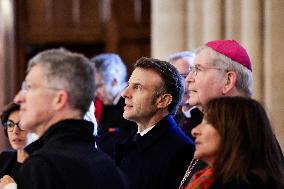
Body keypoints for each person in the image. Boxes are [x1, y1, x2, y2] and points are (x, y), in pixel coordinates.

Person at [0, 49, 127, 189]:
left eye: (30, 87)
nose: (19, 98)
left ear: (59, 99)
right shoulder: (106, 165)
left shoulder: (43, 166)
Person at [179, 39, 283, 188]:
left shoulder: (250, 143)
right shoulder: (213, 139)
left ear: (228, 80)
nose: (188, 79)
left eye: (198, 69)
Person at [115, 57, 195, 189]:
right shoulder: (134, 139)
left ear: (163, 100)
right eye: (129, 85)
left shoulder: (181, 151)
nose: (125, 93)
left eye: (138, 87)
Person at [185, 96, 284, 189]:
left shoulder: (247, 185)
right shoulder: (211, 178)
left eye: (208, 122)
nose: (194, 131)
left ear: (236, 130)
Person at [91, 53, 136, 158]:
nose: (95, 93)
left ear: (114, 82)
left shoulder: (133, 104)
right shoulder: (108, 102)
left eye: (98, 86)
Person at [169, 51, 203, 140]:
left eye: (185, 76)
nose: (181, 84)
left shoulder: (208, 118)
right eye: (175, 79)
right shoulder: (173, 121)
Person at [0, 103, 29, 182]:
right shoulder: (4, 157)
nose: (15, 131)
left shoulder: (44, 164)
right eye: (10, 125)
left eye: (22, 125)